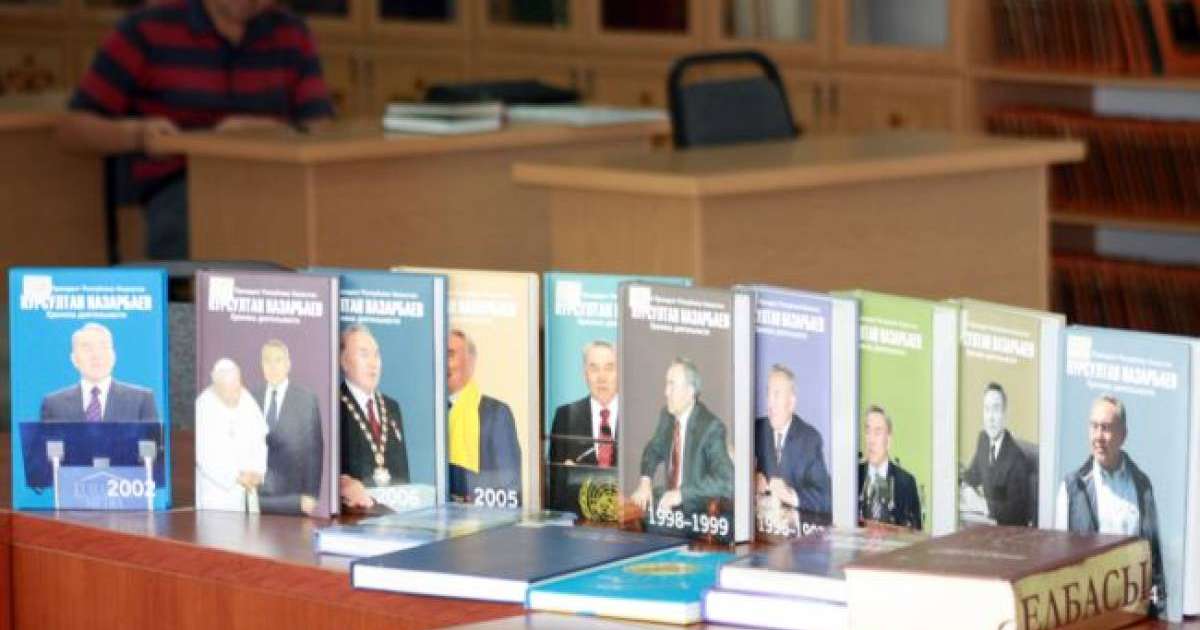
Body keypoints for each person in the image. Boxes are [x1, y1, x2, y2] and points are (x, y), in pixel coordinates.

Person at [55, 0, 334, 259]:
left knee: (326, 224)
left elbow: (320, 129)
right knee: (205, 232)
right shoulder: (147, 27)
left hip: (273, 181)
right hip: (176, 184)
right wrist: (139, 135)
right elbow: (72, 129)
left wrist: (269, 133)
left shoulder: (291, 32)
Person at [1055, 394, 1164, 612]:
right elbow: (1058, 566)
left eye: (1106, 428)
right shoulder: (1072, 488)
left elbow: (1154, 562)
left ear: (1123, 435)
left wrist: (1157, 614)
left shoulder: (1141, 486)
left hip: (1133, 613)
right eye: (1093, 427)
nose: (1098, 436)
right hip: (1088, 615)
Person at [629, 358, 733, 517]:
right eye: (666, 384)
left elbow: (728, 481)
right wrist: (645, 481)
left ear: (690, 391)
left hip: (695, 513)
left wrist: (681, 494)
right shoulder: (668, 416)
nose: (666, 392)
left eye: (672, 385)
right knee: (627, 514)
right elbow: (653, 449)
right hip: (668, 509)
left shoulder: (710, 428)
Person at [447, 329, 522, 504]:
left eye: (450, 355)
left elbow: (510, 484)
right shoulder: (429, 415)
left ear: (471, 361)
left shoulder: (496, 413)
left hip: (481, 515)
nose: (443, 363)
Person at [338, 324, 409, 510]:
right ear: (343, 361)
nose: (373, 363)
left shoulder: (392, 408)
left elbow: (403, 477)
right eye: (364, 354)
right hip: (355, 516)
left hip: (394, 515)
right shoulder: (333, 408)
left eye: (376, 355)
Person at [251, 339, 323, 516]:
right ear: (261, 365)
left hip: (293, 497)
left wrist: (311, 494)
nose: (273, 366)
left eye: (278, 360)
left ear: (288, 364)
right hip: (256, 495)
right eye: (267, 361)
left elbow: (314, 450)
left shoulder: (306, 399)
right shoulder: (251, 397)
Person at [547, 340, 619, 512]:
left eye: (609, 368)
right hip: (578, 520)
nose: (601, 377)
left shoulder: (636, 416)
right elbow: (555, 488)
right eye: (594, 369)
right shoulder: (565, 417)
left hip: (628, 521)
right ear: (585, 374)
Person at [754, 364, 831, 522]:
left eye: (776, 395)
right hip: (760, 530)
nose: (770, 403)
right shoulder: (756, 429)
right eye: (768, 394)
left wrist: (791, 495)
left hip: (794, 532)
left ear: (791, 403)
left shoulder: (809, 439)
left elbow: (826, 498)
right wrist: (751, 480)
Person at [40, 322, 157, 423]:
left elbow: (152, 442)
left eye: (103, 347)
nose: (96, 355)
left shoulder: (141, 400)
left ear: (113, 356)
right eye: (87, 348)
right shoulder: (54, 404)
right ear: (74, 359)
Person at [194, 358, 268, 512]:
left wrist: (258, 471)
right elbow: (204, 456)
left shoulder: (247, 399)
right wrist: (236, 476)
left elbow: (260, 440)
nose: (235, 396)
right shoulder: (203, 405)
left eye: (237, 388)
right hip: (217, 496)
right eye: (228, 391)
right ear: (216, 386)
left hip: (248, 489)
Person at [961, 382, 1032, 526]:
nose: (990, 417)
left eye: (995, 409)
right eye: (987, 409)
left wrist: (981, 504)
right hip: (986, 525)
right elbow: (971, 476)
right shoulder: (983, 440)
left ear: (1005, 415)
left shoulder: (1017, 460)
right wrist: (966, 488)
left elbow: (1016, 512)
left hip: (1008, 532)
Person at [857, 405, 922, 530]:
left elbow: (915, 533)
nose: (871, 440)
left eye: (877, 432)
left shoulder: (906, 483)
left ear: (889, 439)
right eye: (868, 432)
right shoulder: (854, 477)